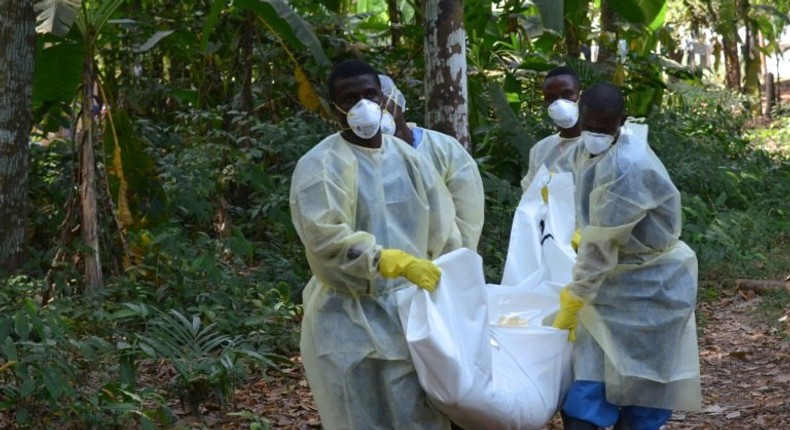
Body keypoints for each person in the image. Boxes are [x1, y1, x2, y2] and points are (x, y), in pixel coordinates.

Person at [289, 59, 461, 429]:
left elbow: (444, 230)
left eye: (370, 95)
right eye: (349, 99)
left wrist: (450, 282)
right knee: (359, 417)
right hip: (346, 321)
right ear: (333, 109)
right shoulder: (321, 165)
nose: (362, 105)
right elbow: (326, 239)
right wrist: (389, 260)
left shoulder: (410, 159)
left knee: (420, 417)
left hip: (410, 315)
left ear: (384, 98)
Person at [552, 83, 701, 430]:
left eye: (605, 129)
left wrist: (574, 299)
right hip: (614, 285)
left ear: (622, 122)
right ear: (580, 115)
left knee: (643, 398)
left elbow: (600, 247)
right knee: (584, 397)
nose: (596, 135)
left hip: (654, 289)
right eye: (590, 126)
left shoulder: (629, 166)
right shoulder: (590, 150)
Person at [378, 74, 485, 251]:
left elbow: (468, 219)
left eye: (376, 100)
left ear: (394, 99)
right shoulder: (355, 157)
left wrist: (456, 261)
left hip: (444, 264)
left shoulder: (445, 149)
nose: (368, 111)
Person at [521, 66, 583, 192]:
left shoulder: (598, 145)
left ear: (581, 96)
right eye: (551, 98)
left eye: (567, 95)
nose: (559, 103)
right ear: (545, 103)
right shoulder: (540, 151)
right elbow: (530, 197)